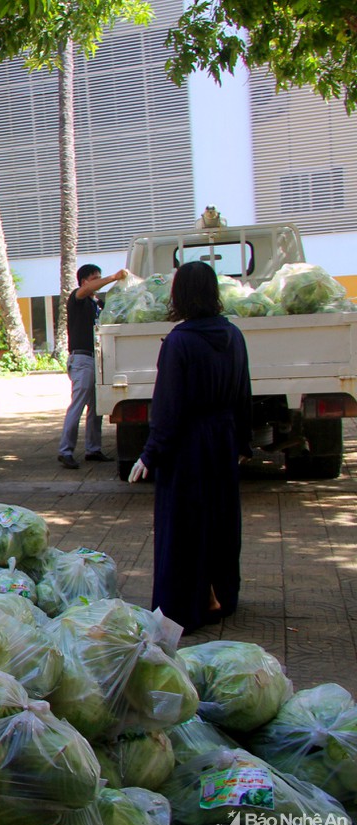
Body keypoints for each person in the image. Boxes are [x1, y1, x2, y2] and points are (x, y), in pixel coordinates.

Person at [130, 261, 251, 633]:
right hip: (223, 438)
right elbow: (244, 393)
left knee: (185, 525)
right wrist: (242, 441)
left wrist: (149, 454)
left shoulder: (180, 341)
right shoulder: (233, 334)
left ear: (180, 295)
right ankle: (218, 594)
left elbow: (169, 408)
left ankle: (189, 602)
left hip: (189, 446)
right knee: (219, 520)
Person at [58, 263, 126, 469]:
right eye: (95, 278)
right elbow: (84, 291)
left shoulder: (94, 303)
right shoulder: (77, 297)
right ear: (85, 281)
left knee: (96, 407)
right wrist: (114, 276)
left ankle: (93, 449)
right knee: (78, 405)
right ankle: (65, 450)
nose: (99, 281)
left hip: (95, 360)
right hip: (82, 359)